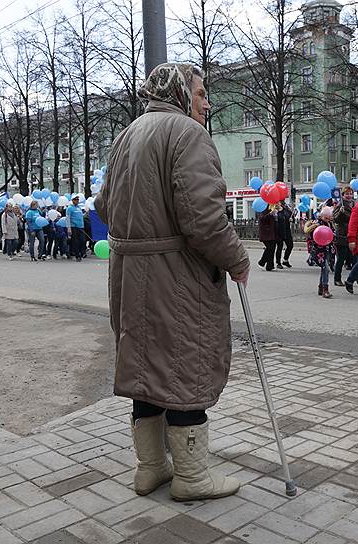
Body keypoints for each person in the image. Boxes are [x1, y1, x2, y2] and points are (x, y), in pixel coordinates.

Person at [94, 62, 248, 502]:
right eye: (201, 93)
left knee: (147, 369)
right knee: (185, 367)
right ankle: (192, 478)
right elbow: (203, 217)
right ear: (182, 93)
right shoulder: (187, 134)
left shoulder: (127, 136)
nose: (207, 102)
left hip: (129, 275)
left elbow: (104, 205)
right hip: (176, 277)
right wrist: (236, 259)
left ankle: (151, 469)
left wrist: (141, 230)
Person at [305, 206, 336, 298]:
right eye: (325, 217)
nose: (327, 219)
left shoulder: (330, 223)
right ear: (321, 216)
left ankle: (321, 287)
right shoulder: (317, 224)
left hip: (328, 249)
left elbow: (332, 234)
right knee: (325, 268)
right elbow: (310, 234)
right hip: (319, 250)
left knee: (324, 268)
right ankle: (325, 289)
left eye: (329, 217)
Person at [332, 186, 355, 286]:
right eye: (347, 194)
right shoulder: (340, 205)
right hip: (342, 235)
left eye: (350, 193)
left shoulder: (354, 204)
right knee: (341, 259)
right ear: (343, 195)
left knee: (355, 258)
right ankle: (337, 279)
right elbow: (335, 219)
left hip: (352, 234)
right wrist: (341, 212)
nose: (349, 196)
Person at [274, 201, 294, 269]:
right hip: (278, 232)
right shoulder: (274, 212)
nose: (277, 204)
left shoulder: (286, 210)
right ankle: (278, 263)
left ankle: (285, 260)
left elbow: (291, 217)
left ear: (280, 203)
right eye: (275, 203)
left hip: (287, 231)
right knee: (279, 247)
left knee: (290, 246)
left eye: (277, 202)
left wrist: (292, 219)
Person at [257, 207, 278, 271]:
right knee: (270, 248)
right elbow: (262, 219)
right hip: (265, 233)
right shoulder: (263, 209)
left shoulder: (272, 209)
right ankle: (262, 262)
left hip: (272, 233)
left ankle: (270, 266)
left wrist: (275, 215)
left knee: (272, 248)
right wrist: (270, 214)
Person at [67, 196, 86, 261]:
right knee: (76, 241)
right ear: (72, 200)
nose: (77, 201)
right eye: (75, 199)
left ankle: (81, 252)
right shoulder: (69, 208)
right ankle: (77, 255)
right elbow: (68, 218)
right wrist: (68, 228)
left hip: (81, 227)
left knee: (83, 240)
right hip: (74, 226)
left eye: (78, 199)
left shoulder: (79, 207)